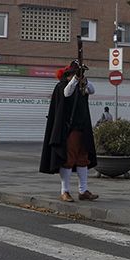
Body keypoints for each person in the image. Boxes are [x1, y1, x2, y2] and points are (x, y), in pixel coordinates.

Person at [40, 60, 98, 203]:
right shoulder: (62, 86)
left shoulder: (82, 85)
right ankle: (64, 191)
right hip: (68, 129)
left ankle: (83, 190)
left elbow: (92, 89)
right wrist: (75, 79)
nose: (77, 76)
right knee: (68, 159)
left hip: (82, 128)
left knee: (83, 159)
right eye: (74, 73)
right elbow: (67, 93)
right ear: (68, 75)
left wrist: (83, 80)